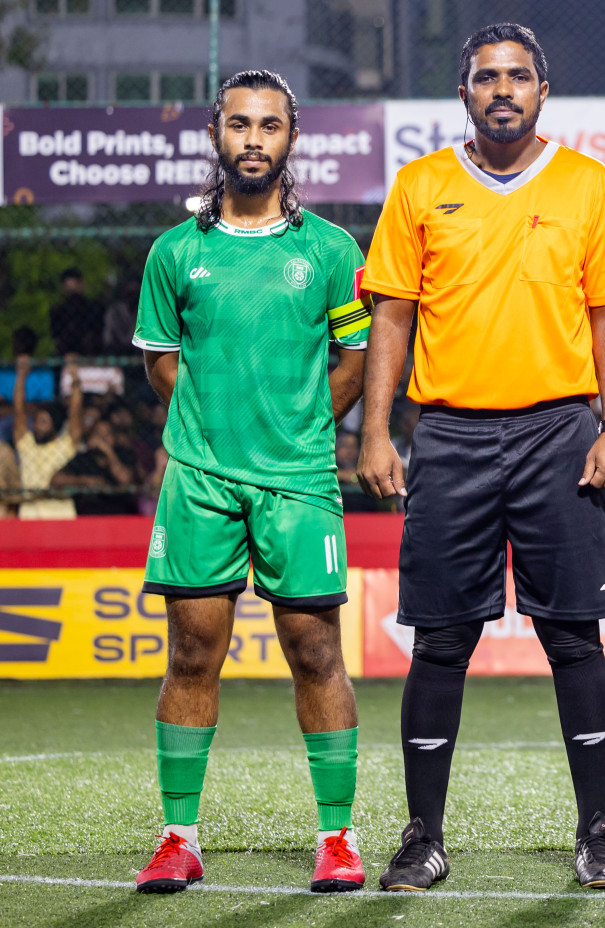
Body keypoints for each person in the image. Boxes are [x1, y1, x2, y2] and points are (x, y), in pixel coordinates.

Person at [357, 23, 605, 891]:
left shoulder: (587, 183)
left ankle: (596, 832)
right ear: (466, 93)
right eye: (487, 78)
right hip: (451, 437)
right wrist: (372, 430)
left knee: (573, 639)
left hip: (561, 432)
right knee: (441, 641)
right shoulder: (420, 184)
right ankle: (422, 836)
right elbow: (391, 317)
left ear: (543, 91)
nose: (503, 89)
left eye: (519, 76)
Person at [131, 69, 371, 894]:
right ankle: (178, 837)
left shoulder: (332, 251)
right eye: (240, 124)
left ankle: (336, 838)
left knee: (315, 651)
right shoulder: (176, 251)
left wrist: (301, 431)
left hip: (299, 481)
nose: (254, 139)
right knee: (193, 651)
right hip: (199, 480)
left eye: (270, 126)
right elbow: (163, 362)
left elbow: (355, 362)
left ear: (292, 139)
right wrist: (212, 435)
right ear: (215, 135)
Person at [12, 354, 84, 519]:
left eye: (43, 422)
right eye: (36, 422)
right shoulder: (27, 444)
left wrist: (74, 375)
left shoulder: (64, 445)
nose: (37, 426)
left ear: (55, 426)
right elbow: (19, 411)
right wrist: (21, 375)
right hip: (29, 517)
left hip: (62, 517)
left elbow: (76, 413)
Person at [51, 418, 139, 515]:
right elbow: (55, 480)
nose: (102, 438)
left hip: (120, 515)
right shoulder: (83, 458)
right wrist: (84, 480)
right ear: (91, 437)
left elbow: (125, 479)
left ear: (114, 437)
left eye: (107, 434)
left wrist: (108, 451)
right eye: (98, 434)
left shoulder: (123, 454)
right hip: (89, 515)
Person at [50, 267, 104, 356]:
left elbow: (96, 336)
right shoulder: (58, 312)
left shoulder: (94, 309)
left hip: (90, 355)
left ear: (81, 285)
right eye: (70, 292)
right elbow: (58, 339)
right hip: (66, 356)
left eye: (74, 292)